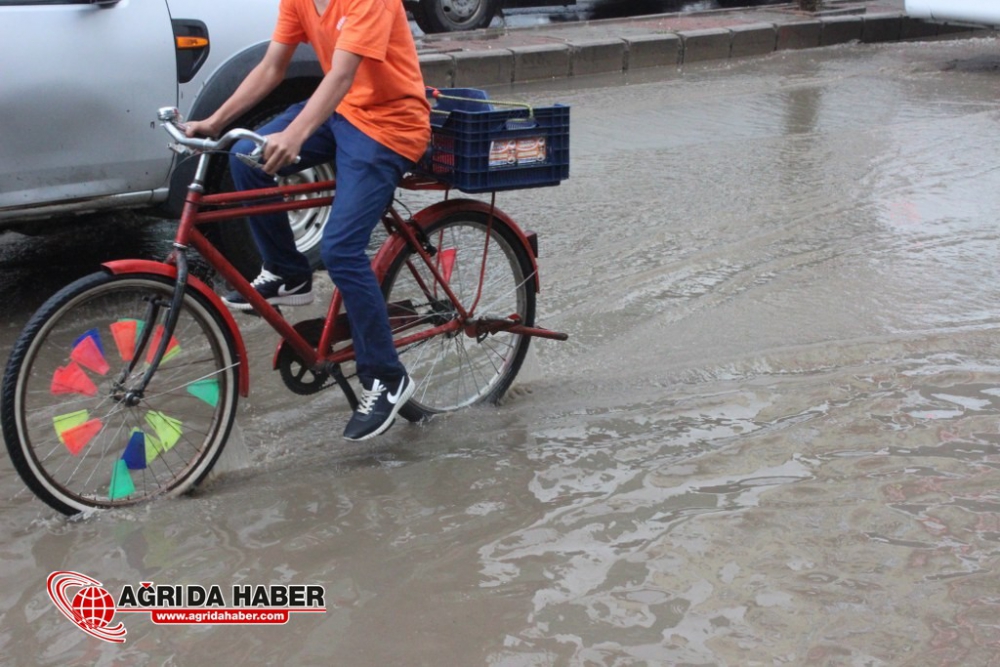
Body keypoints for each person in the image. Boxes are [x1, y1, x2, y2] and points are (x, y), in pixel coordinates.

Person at [184, 0, 430, 441]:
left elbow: (341, 74)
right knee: (244, 156)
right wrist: (214, 123)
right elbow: (271, 67)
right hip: (344, 113)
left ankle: (386, 377)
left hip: (390, 128)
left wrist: (294, 135)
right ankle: (287, 271)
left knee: (341, 249)